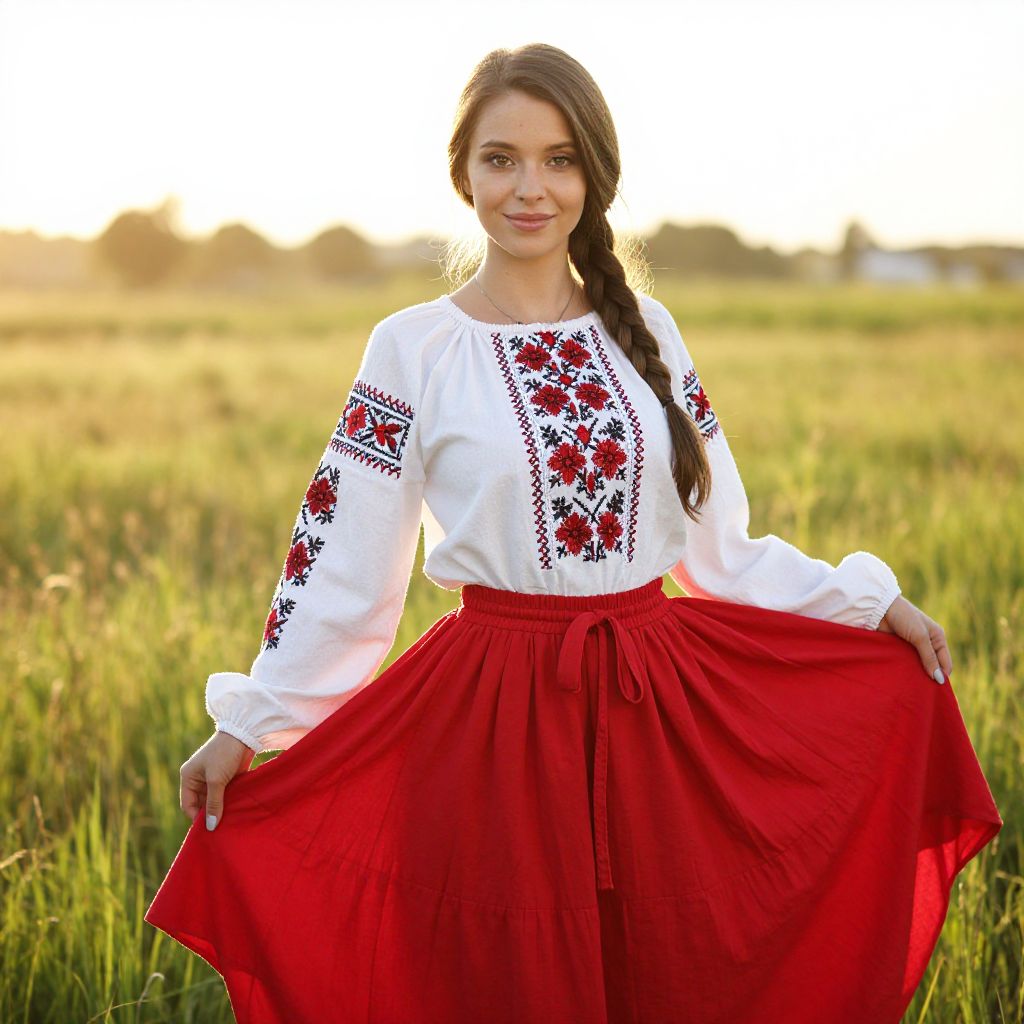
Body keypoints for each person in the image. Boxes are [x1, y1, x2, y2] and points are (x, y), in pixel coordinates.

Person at [144, 42, 1002, 1024]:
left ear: (594, 174)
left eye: (559, 160)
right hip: (489, 721)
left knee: (676, 965)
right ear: (461, 171)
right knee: (503, 982)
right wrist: (249, 723)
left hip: (657, 713)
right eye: (501, 158)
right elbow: (344, 571)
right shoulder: (411, 348)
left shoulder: (650, 330)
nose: (530, 188)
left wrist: (864, 601)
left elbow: (724, 549)